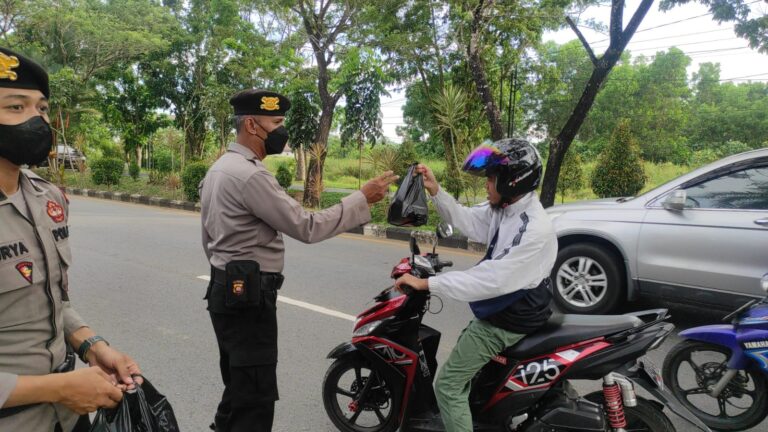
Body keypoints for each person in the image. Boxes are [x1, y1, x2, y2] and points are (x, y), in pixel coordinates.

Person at [200, 88, 398, 432]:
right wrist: (361, 199)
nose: (281, 130)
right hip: (249, 298)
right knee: (255, 400)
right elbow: (307, 227)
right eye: (275, 122)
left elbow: (208, 239)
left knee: (238, 386)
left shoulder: (219, 169)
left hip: (225, 290)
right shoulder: (251, 175)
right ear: (251, 124)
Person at [0, 47, 142, 432]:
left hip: (68, 415)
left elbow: (49, 301)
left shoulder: (46, 198)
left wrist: (91, 345)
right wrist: (60, 387)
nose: (37, 120)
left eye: (41, 108)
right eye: (16, 107)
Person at [394, 138, 557, 432]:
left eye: (491, 179)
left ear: (511, 181)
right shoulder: (508, 209)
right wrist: (436, 191)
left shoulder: (532, 228)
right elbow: (469, 221)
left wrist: (426, 283)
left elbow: (491, 279)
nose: (486, 185)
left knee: (447, 385)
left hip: (506, 319)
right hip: (507, 307)